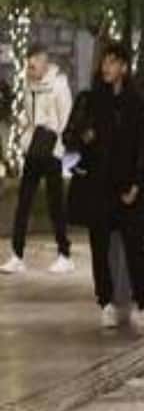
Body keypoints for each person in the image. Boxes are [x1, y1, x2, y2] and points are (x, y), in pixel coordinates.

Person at [67, 40, 144, 329]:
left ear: (123, 67)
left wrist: (138, 183)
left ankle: (143, 303)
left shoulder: (134, 103)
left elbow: (141, 149)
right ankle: (105, 302)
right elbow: (69, 136)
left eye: (113, 62)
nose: (107, 67)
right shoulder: (91, 100)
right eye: (104, 62)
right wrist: (84, 137)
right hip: (98, 185)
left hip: (127, 186)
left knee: (135, 247)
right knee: (100, 247)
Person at [4, 48, 74, 273]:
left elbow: (66, 118)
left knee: (56, 204)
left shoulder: (59, 85)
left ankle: (64, 254)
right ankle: (17, 254)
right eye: (28, 66)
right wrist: (25, 130)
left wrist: (57, 144)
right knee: (23, 202)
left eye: (33, 66)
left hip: (51, 150)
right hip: (34, 148)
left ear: (44, 63)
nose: (30, 70)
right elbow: (28, 114)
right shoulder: (28, 85)